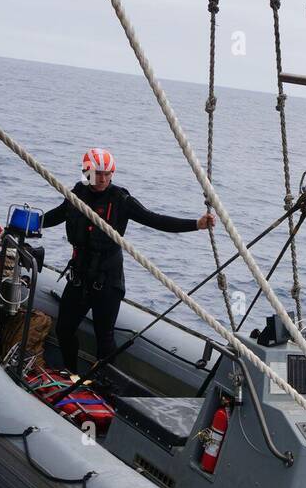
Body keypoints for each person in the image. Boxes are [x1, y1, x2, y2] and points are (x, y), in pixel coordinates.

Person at [40, 148, 215, 373]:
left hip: (107, 281)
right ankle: (71, 373)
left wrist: (196, 224)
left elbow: (156, 220)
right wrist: (20, 225)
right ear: (86, 172)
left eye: (107, 174)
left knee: (105, 337)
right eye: (97, 173)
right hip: (79, 277)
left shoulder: (120, 200)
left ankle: (101, 382)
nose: (103, 179)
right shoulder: (76, 196)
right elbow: (53, 217)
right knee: (64, 329)